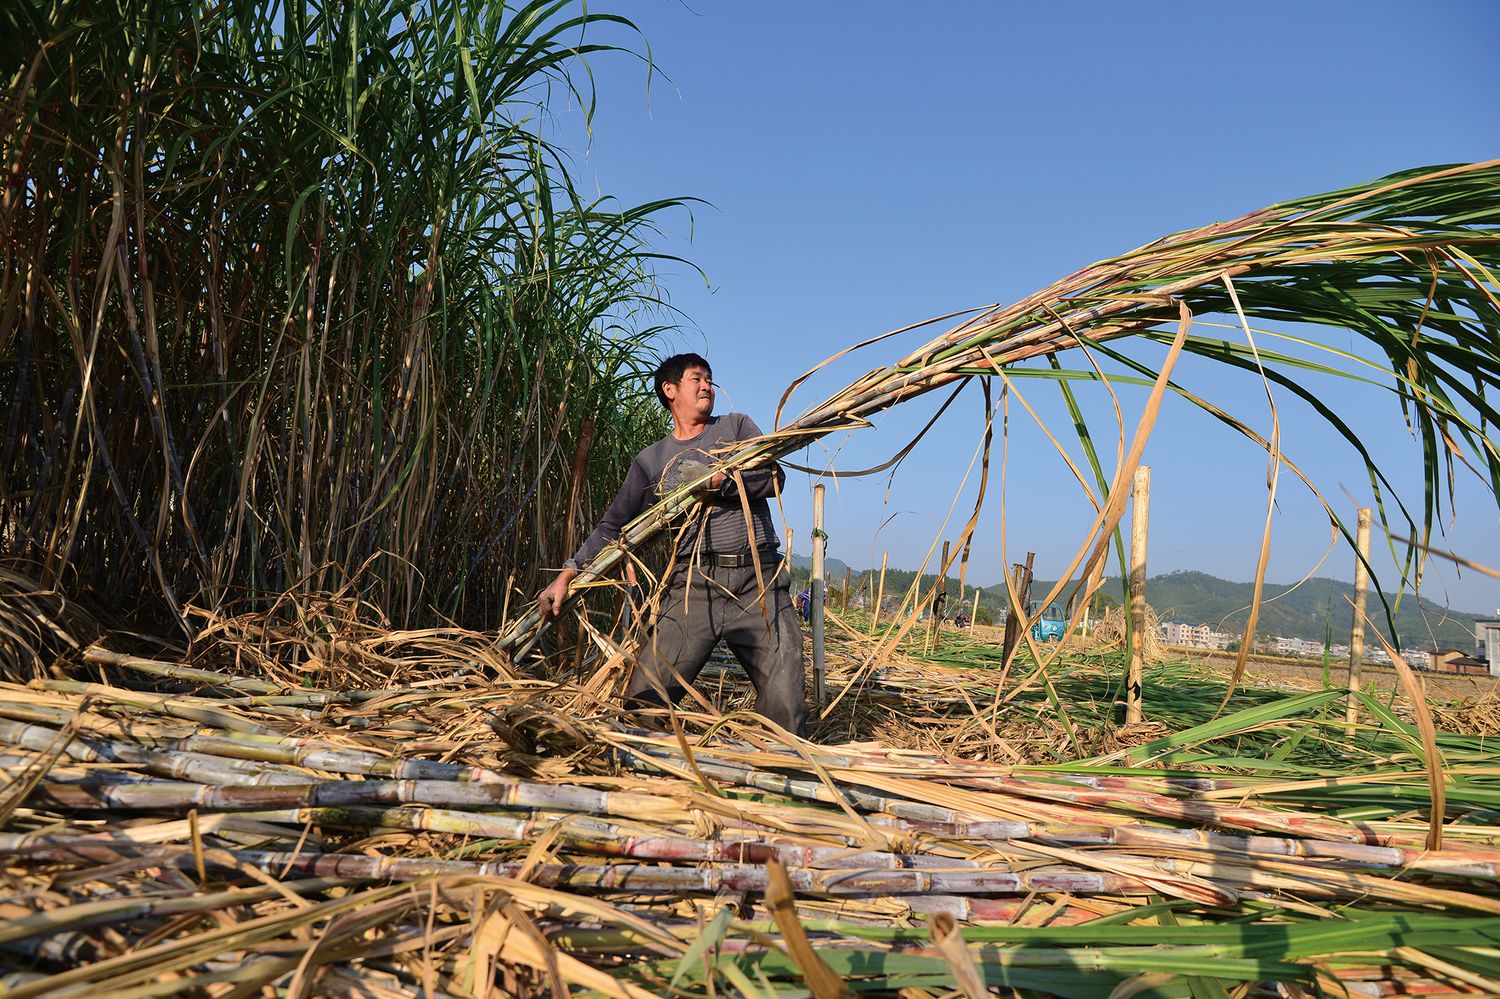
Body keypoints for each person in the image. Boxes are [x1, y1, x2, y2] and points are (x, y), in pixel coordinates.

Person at [537, 353, 806, 736]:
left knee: (787, 709)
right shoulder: (653, 460)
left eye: (710, 379)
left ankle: (776, 777)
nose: (706, 386)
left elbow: (773, 478)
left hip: (759, 582)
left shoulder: (735, 427)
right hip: (694, 587)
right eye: (696, 378)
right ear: (670, 389)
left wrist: (718, 484)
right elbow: (614, 526)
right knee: (643, 704)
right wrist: (567, 573)